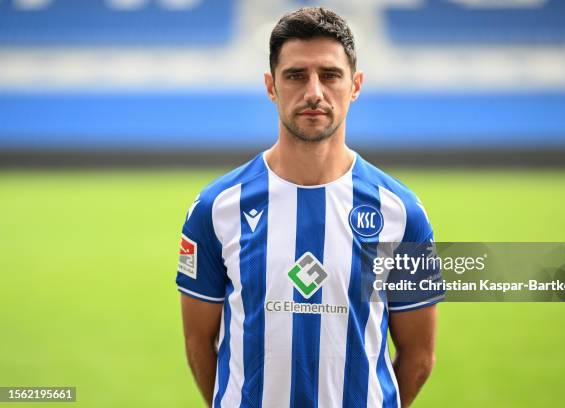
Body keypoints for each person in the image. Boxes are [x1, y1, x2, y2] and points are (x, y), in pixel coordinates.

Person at [176, 7, 443, 408]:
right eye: (296, 75)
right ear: (271, 86)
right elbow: (198, 342)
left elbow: (420, 356)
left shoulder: (402, 214)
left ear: (355, 86)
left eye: (330, 75)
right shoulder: (216, 208)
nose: (314, 92)